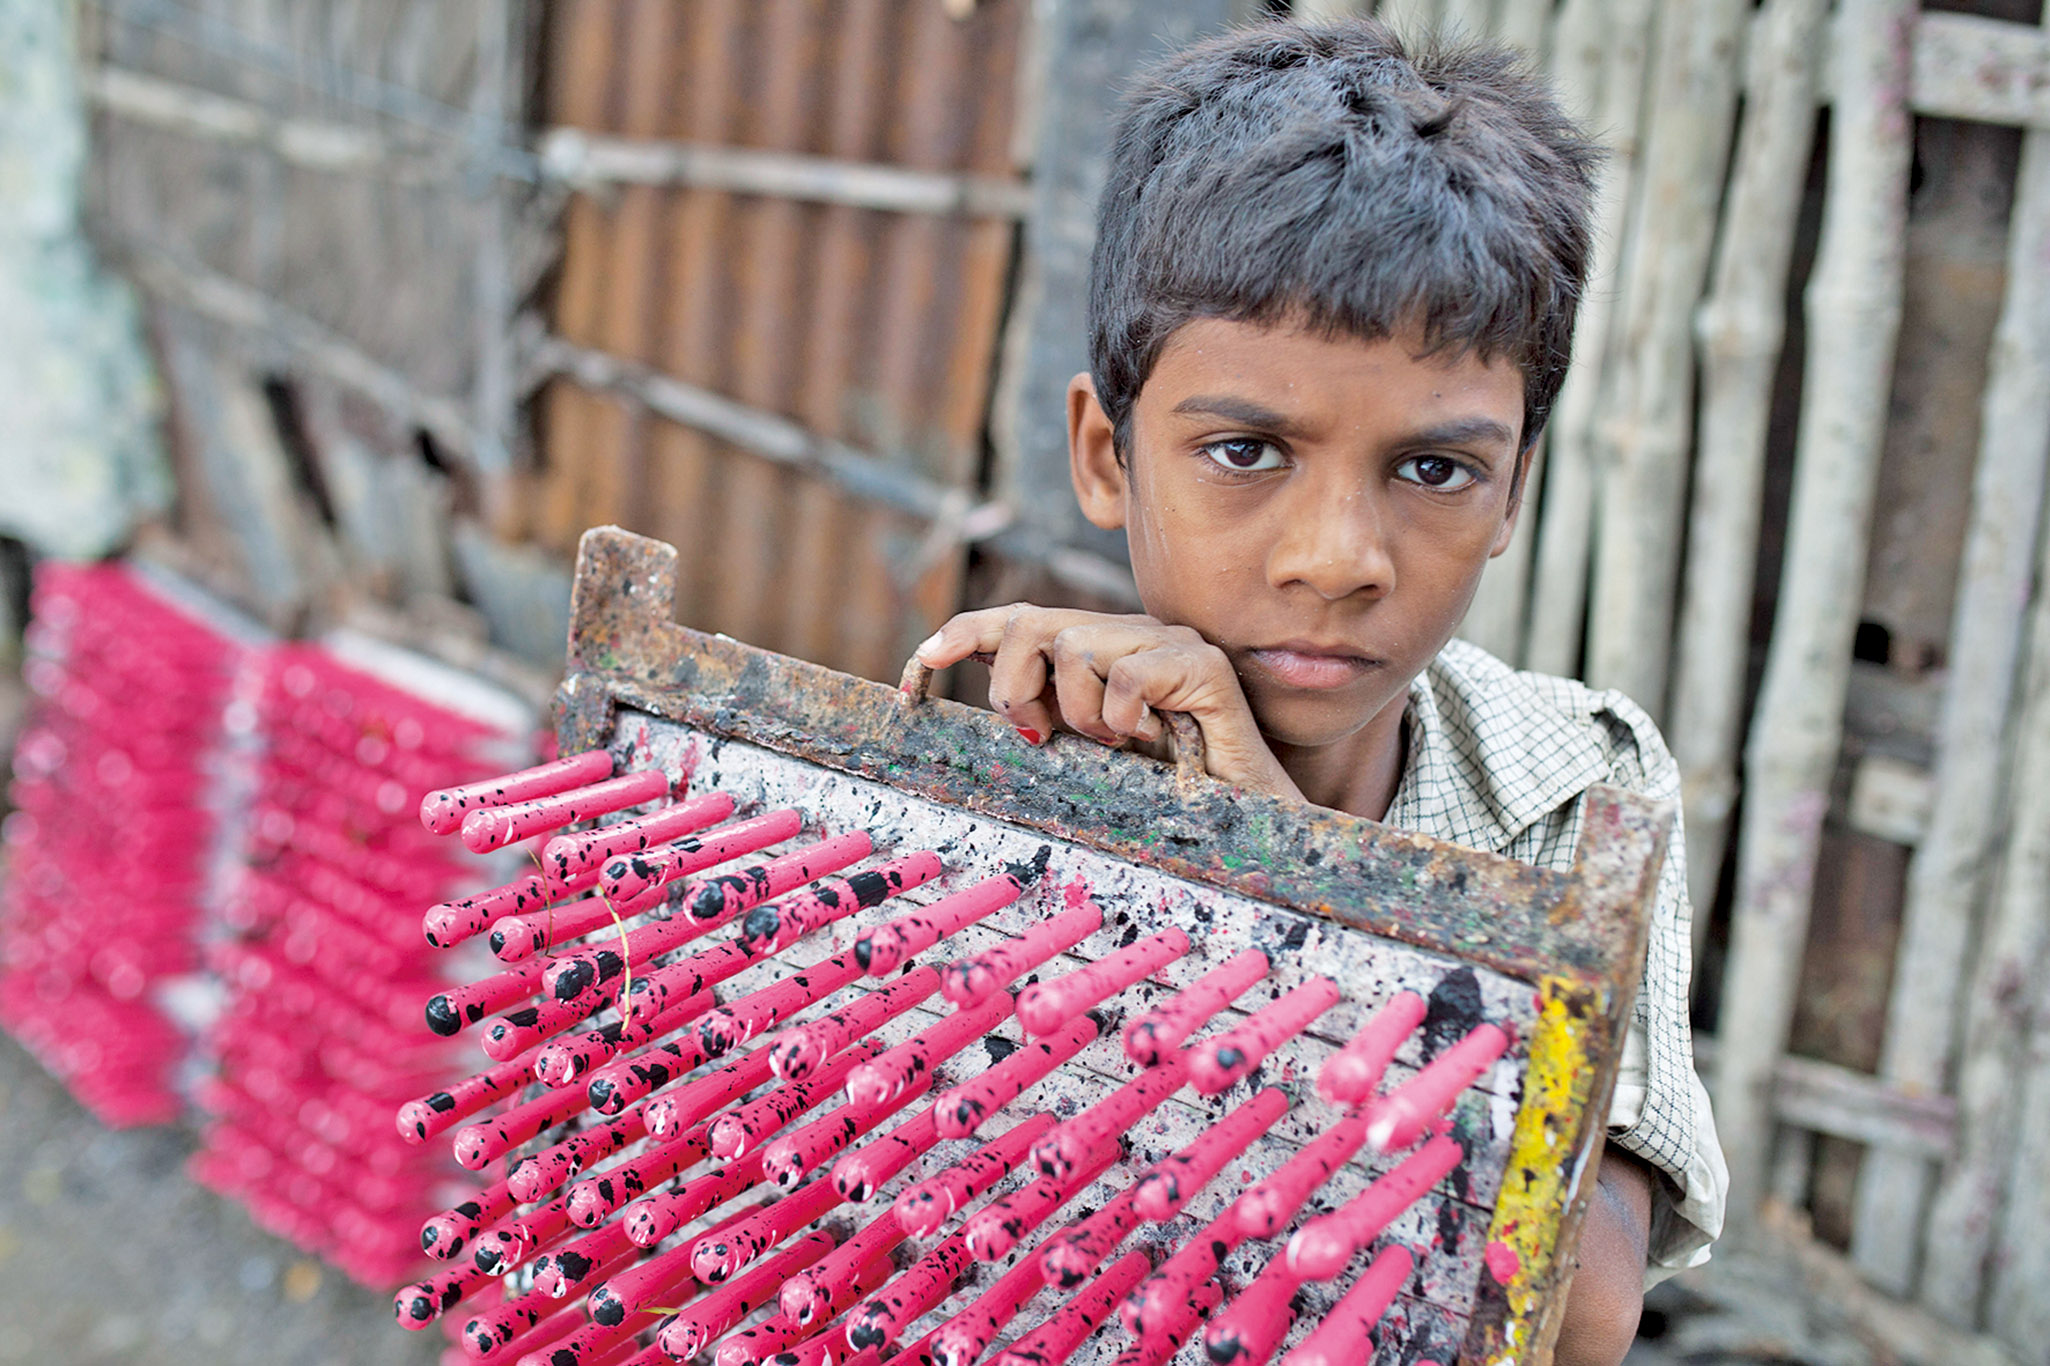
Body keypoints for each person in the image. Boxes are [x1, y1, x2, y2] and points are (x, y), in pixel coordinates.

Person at [909, 17, 1727, 1365]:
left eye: (1432, 471)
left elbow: (1577, 1320)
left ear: (1513, 485)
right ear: (1107, 457)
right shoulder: (1003, 745)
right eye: (1244, 450)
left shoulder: (1573, 783)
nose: (1337, 560)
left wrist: (1273, 850)